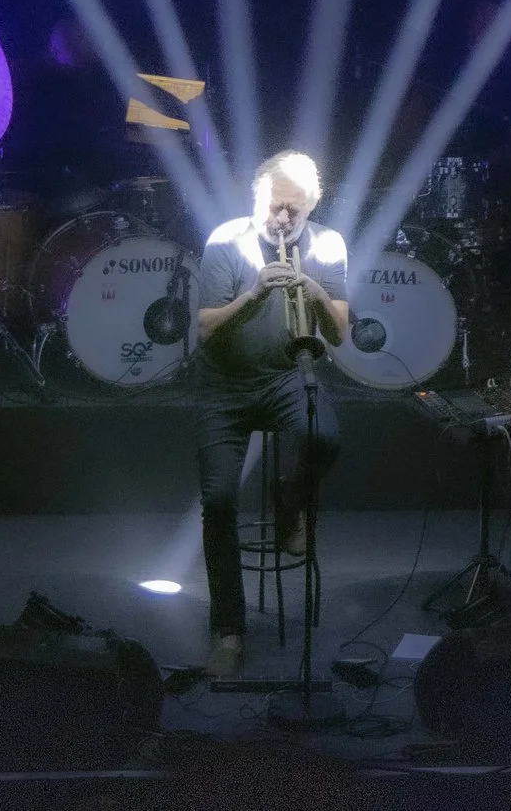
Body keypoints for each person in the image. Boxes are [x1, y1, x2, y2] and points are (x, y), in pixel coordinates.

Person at [193, 150, 350, 677]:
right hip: (225, 387)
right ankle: (229, 630)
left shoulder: (327, 245)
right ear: (256, 198)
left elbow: (341, 333)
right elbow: (206, 328)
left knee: (324, 438)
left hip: (287, 378)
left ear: (311, 208)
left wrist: (315, 292)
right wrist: (256, 292)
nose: (284, 220)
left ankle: (289, 509)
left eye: (296, 212)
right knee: (218, 502)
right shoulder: (225, 241)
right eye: (276, 207)